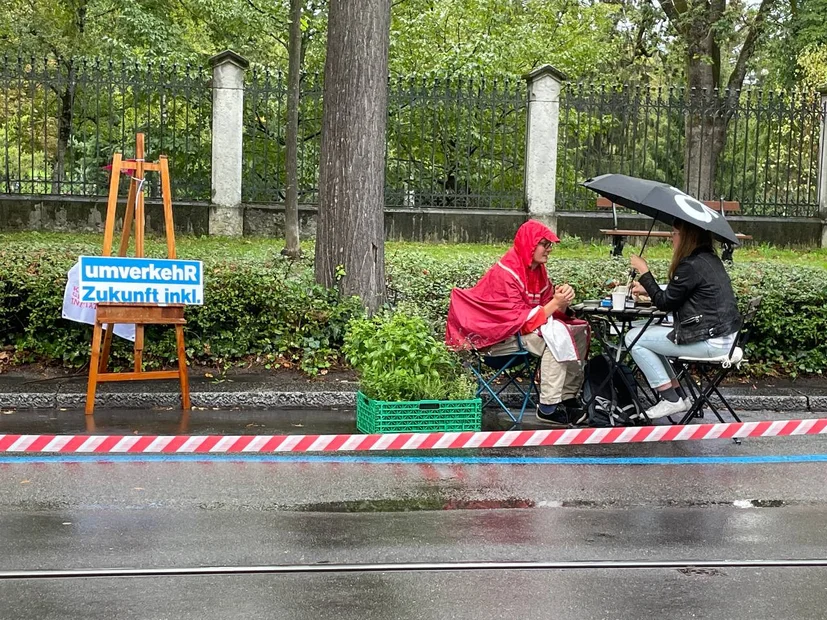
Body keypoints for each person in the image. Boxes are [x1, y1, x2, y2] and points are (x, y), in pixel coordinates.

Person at [445, 220, 590, 426]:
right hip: (495, 342)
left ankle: (567, 397)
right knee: (555, 338)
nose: (549, 249)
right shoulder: (506, 273)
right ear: (529, 244)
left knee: (578, 331)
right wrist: (555, 303)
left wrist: (561, 301)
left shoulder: (537, 270)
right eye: (544, 244)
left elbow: (549, 311)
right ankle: (548, 408)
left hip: (519, 336)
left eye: (550, 244)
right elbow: (519, 322)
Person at [627, 220, 741, 419]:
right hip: (725, 337)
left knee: (633, 338)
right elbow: (679, 293)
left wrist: (645, 272)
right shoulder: (708, 260)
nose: (672, 238)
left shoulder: (690, 265)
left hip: (711, 341)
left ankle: (670, 399)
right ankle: (678, 395)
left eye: (674, 233)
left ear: (687, 237)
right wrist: (650, 289)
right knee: (651, 339)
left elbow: (665, 303)